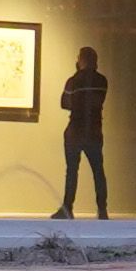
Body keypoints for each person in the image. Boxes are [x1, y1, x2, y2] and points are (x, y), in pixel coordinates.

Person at [54, 46, 111, 219]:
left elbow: (64, 103)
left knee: (72, 170)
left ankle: (67, 207)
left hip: (75, 130)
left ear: (82, 60)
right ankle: (102, 209)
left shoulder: (74, 80)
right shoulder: (102, 81)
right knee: (98, 170)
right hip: (94, 130)